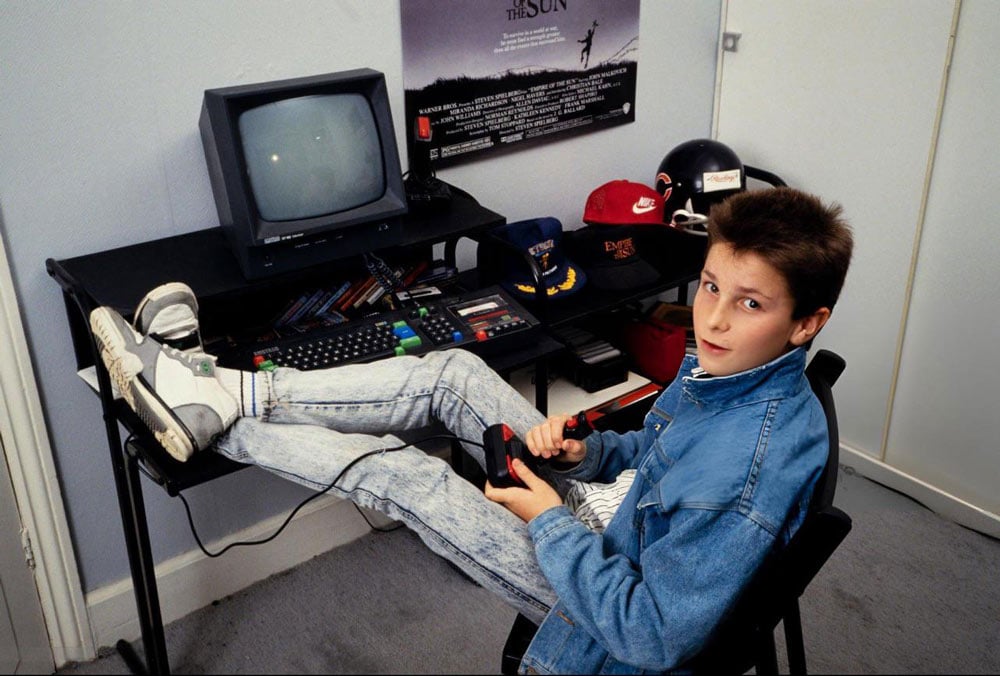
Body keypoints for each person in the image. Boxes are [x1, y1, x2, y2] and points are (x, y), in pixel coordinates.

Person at [88, 185, 853, 673]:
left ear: (805, 323)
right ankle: (229, 389)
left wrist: (551, 520)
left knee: (405, 473)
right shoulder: (725, 371)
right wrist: (588, 455)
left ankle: (207, 407)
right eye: (712, 285)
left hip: (605, 610)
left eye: (750, 304)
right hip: (618, 526)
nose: (711, 317)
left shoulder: (740, 480)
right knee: (451, 371)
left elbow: (651, 636)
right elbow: (651, 451)